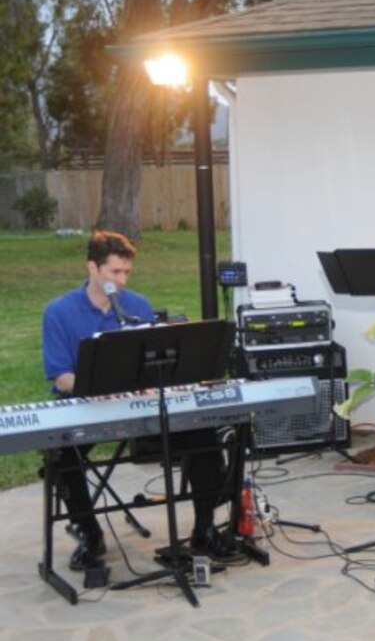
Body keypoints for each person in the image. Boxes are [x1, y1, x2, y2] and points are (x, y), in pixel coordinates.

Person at [42, 230, 232, 571]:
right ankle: (90, 533)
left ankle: (204, 529)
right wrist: (95, 386)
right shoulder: (59, 312)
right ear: (92, 267)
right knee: (63, 455)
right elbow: (61, 377)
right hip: (86, 406)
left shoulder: (137, 306)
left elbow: (154, 363)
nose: (122, 280)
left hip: (139, 406)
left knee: (203, 436)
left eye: (126, 272)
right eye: (115, 272)